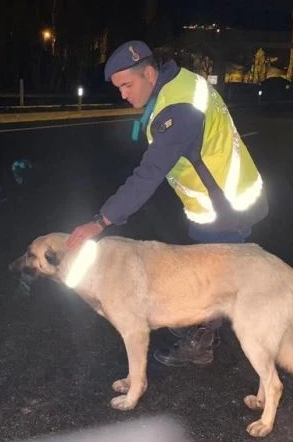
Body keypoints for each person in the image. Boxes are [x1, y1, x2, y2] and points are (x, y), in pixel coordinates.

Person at [66, 40, 269, 367]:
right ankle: (198, 323)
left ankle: (202, 342)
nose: (123, 94)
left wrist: (100, 221)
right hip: (218, 198)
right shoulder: (179, 84)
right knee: (204, 272)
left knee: (212, 281)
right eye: (119, 88)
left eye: (127, 85)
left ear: (148, 73)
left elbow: (148, 176)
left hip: (225, 206)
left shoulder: (178, 111)